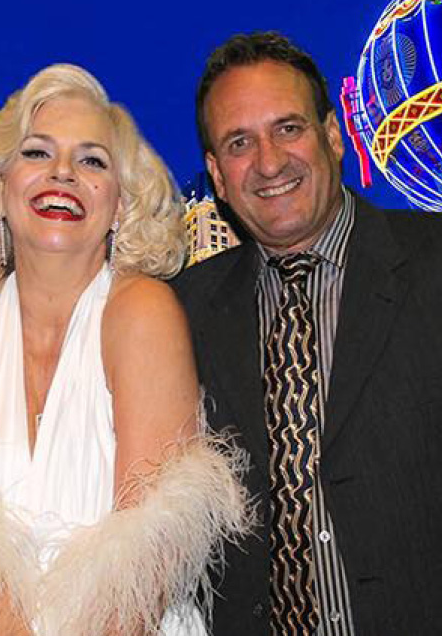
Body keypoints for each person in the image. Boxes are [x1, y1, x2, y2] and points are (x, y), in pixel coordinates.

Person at [0, 64, 250, 636]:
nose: (62, 173)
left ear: (120, 204)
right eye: (37, 153)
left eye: (92, 160)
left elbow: (149, 552)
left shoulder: (143, 313)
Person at [172, 32, 442, 636]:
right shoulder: (181, 314)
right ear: (216, 174)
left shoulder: (434, 264)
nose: (268, 162)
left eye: (288, 128)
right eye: (239, 143)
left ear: (334, 134)